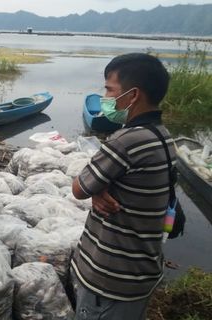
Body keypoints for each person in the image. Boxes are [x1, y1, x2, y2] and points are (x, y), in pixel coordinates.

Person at [70, 53, 174, 320]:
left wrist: (95, 189)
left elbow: (79, 188)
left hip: (109, 281)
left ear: (133, 95)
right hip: (140, 273)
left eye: (109, 89)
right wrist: (101, 190)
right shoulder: (162, 136)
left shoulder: (126, 140)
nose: (104, 96)